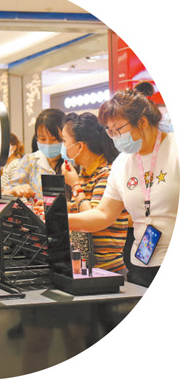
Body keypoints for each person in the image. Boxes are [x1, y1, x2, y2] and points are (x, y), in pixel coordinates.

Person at [68, 83, 179, 287]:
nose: (115, 137)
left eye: (118, 129)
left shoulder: (174, 149)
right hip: (141, 264)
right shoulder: (122, 164)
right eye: (110, 131)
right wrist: (61, 220)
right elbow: (103, 215)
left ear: (143, 122)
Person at [60, 112, 129, 274]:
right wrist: (57, 208)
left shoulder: (107, 174)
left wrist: (75, 186)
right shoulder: (85, 173)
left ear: (80, 146)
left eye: (64, 141)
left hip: (108, 271)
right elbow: (81, 207)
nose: (62, 147)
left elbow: (92, 219)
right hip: (88, 268)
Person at [4, 108, 65, 201]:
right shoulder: (30, 161)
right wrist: (15, 190)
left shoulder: (73, 161)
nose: (48, 144)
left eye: (54, 139)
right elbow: (5, 193)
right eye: (42, 139)